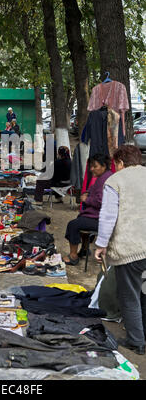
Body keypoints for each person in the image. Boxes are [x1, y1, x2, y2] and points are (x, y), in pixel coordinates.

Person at [95, 145, 146, 355]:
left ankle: (136, 341)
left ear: (121, 163)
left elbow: (108, 216)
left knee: (130, 295)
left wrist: (101, 245)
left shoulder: (115, 181)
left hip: (131, 249)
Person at [63, 153, 112, 266]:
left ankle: (73, 256)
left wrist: (87, 199)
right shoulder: (104, 177)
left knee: (73, 224)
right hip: (96, 216)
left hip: (100, 219)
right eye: (91, 166)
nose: (91, 169)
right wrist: (87, 193)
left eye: (95, 166)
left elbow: (100, 202)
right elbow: (93, 189)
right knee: (80, 219)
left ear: (104, 166)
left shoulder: (106, 179)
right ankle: (84, 249)